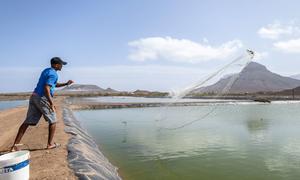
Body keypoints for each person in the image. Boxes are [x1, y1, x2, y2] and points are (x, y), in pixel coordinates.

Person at [10, 57, 74, 151]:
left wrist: (66, 84)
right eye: (61, 64)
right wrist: (51, 103)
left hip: (34, 96)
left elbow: (53, 84)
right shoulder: (54, 74)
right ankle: (50, 144)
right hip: (42, 97)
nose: (62, 66)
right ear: (56, 65)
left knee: (27, 121)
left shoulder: (47, 71)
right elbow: (47, 88)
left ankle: (15, 145)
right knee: (53, 121)